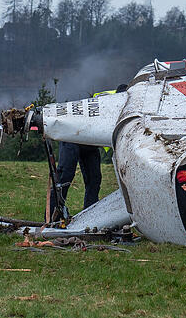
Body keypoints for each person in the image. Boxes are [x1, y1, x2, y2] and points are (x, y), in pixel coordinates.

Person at [49, 84, 128, 219]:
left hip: (90, 143)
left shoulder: (126, 106)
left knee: (94, 179)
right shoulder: (106, 98)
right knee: (65, 176)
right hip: (73, 136)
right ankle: (53, 215)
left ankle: (90, 215)